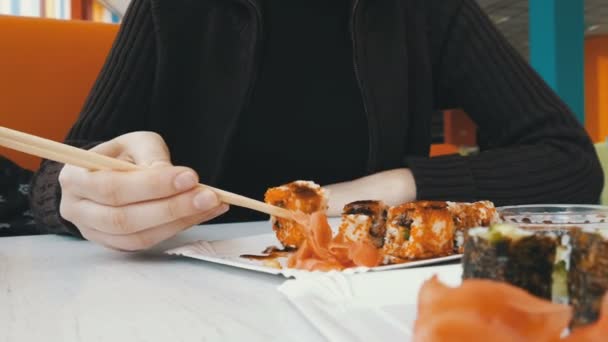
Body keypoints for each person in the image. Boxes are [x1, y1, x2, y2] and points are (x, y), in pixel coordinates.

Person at [29, 0, 603, 251]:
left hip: (361, 298)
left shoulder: (427, 9)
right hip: (177, 289)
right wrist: (82, 197)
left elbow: (568, 163)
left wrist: (391, 188)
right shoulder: (175, 6)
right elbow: (64, 165)